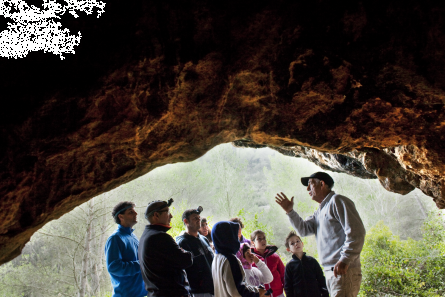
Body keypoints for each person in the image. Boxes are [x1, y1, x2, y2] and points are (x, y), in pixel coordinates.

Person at [275, 171, 366, 297]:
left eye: (310, 184)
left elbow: (356, 233)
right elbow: (303, 230)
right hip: (332, 271)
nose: (307, 188)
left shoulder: (337, 201)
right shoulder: (320, 211)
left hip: (343, 269)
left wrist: (345, 259)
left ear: (322, 184)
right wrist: (290, 211)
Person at [139, 198, 193, 297]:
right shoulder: (160, 237)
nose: (171, 216)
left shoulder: (145, 236)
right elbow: (186, 260)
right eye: (167, 212)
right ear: (156, 215)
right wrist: (185, 252)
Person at [211, 221, 268, 297]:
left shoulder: (217, 257)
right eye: (234, 236)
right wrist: (258, 293)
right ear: (229, 238)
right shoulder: (230, 260)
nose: (237, 239)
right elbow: (237, 291)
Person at [104, 201, 147, 297]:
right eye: (130, 212)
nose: (136, 213)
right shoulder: (115, 239)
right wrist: (142, 264)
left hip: (140, 294)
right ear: (121, 217)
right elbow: (114, 267)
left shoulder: (132, 236)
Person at [176, 207, 214, 297]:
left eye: (199, 218)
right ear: (186, 221)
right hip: (198, 291)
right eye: (195, 218)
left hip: (213, 286)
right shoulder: (183, 242)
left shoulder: (204, 238)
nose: (198, 220)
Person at [283, 231, 329, 297]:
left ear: (302, 244)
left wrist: (325, 294)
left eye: (297, 241)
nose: (296, 244)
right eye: (292, 243)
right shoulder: (289, 266)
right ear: (288, 250)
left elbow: (321, 278)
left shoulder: (312, 261)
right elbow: (288, 286)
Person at [251, 230, 285, 297]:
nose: (263, 240)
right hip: (262, 294)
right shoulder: (251, 259)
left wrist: (287, 291)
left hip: (278, 293)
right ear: (253, 242)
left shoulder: (275, 256)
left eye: (264, 238)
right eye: (259, 239)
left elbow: (283, 275)